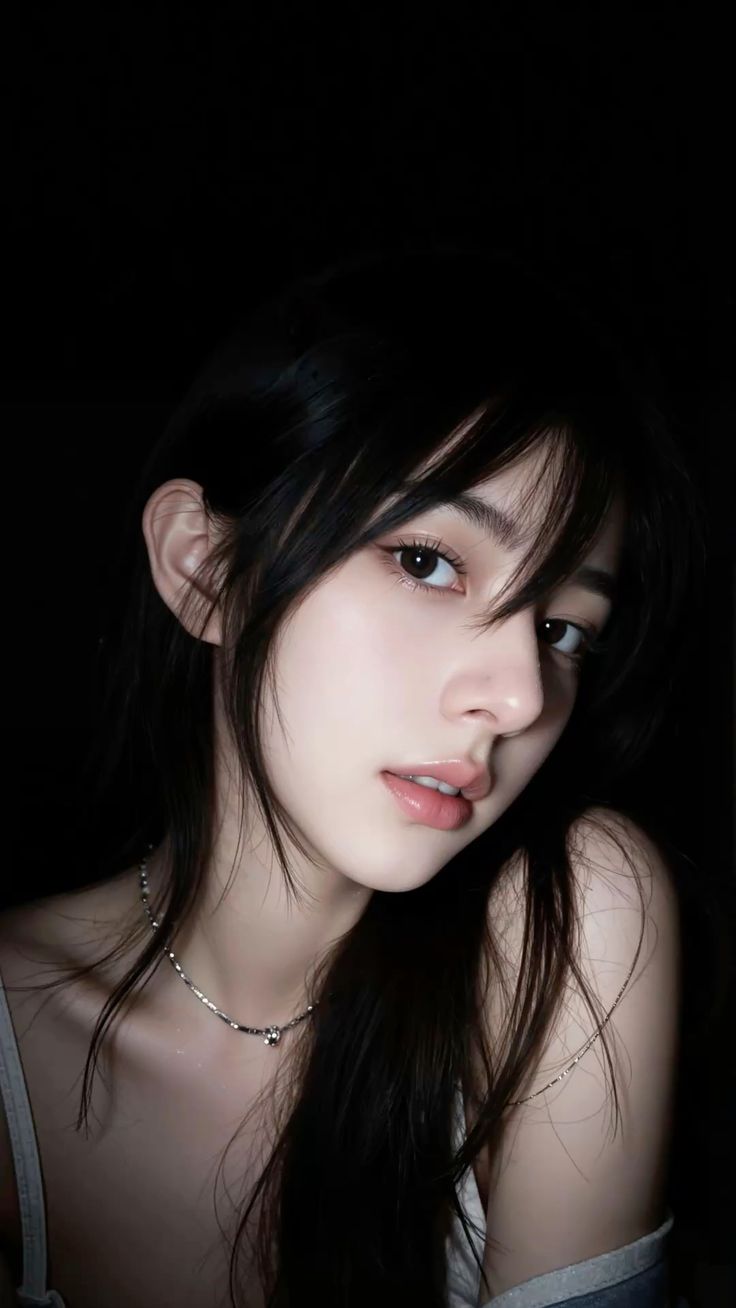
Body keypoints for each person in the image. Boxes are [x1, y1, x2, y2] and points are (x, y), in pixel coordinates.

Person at [0, 245, 702, 1307]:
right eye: (427, 561)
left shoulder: (564, 927)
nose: (519, 697)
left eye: (562, 629)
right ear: (203, 566)